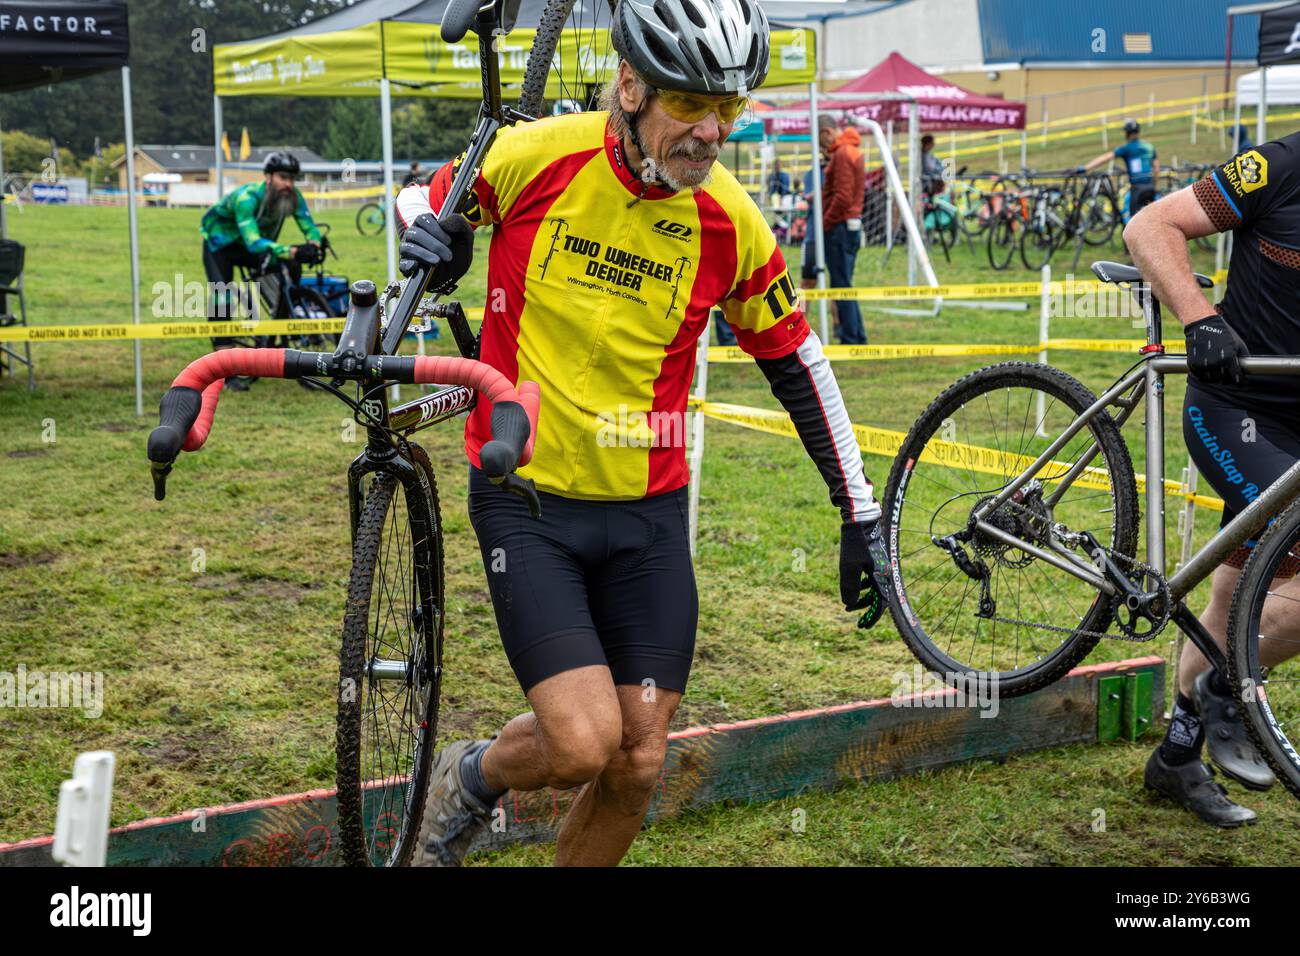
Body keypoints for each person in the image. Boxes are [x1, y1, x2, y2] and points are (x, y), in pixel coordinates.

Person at [392, 0, 891, 867]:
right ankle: (472, 777)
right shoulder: (537, 155)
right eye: (691, 104)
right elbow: (415, 201)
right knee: (584, 742)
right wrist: (435, 239)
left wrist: (860, 513)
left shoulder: (728, 218)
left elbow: (796, 362)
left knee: (638, 760)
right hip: (527, 498)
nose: (711, 132)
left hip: (648, 515)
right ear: (629, 85)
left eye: (728, 109)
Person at [1125, 131, 1300, 826]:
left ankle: (1176, 755)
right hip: (1238, 410)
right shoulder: (1279, 167)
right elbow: (1151, 223)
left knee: (1238, 585)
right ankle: (1230, 686)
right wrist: (1199, 320)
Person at [200, 151, 322, 391]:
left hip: (253, 246)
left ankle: (279, 323)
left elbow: (309, 226)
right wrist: (293, 250)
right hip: (221, 245)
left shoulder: (293, 197)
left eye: (292, 178)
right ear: (268, 177)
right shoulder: (247, 197)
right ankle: (225, 370)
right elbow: (254, 242)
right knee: (222, 296)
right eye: (283, 177)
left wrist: (314, 245)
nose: (288, 184)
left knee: (292, 266)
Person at [819, 116, 866, 344]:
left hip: (839, 227)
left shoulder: (842, 154)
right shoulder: (850, 151)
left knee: (841, 284)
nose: (822, 149)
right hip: (848, 225)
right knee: (844, 283)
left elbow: (843, 197)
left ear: (827, 132)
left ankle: (852, 338)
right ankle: (855, 335)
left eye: (821, 141)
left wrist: (825, 223)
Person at [1079, 119, 1160, 219]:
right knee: (1151, 218)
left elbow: (1106, 158)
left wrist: (1087, 167)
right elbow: (1156, 168)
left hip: (1137, 188)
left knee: (1133, 221)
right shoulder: (1149, 147)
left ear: (1127, 134)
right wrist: (1154, 185)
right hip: (1150, 187)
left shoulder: (1126, 148)